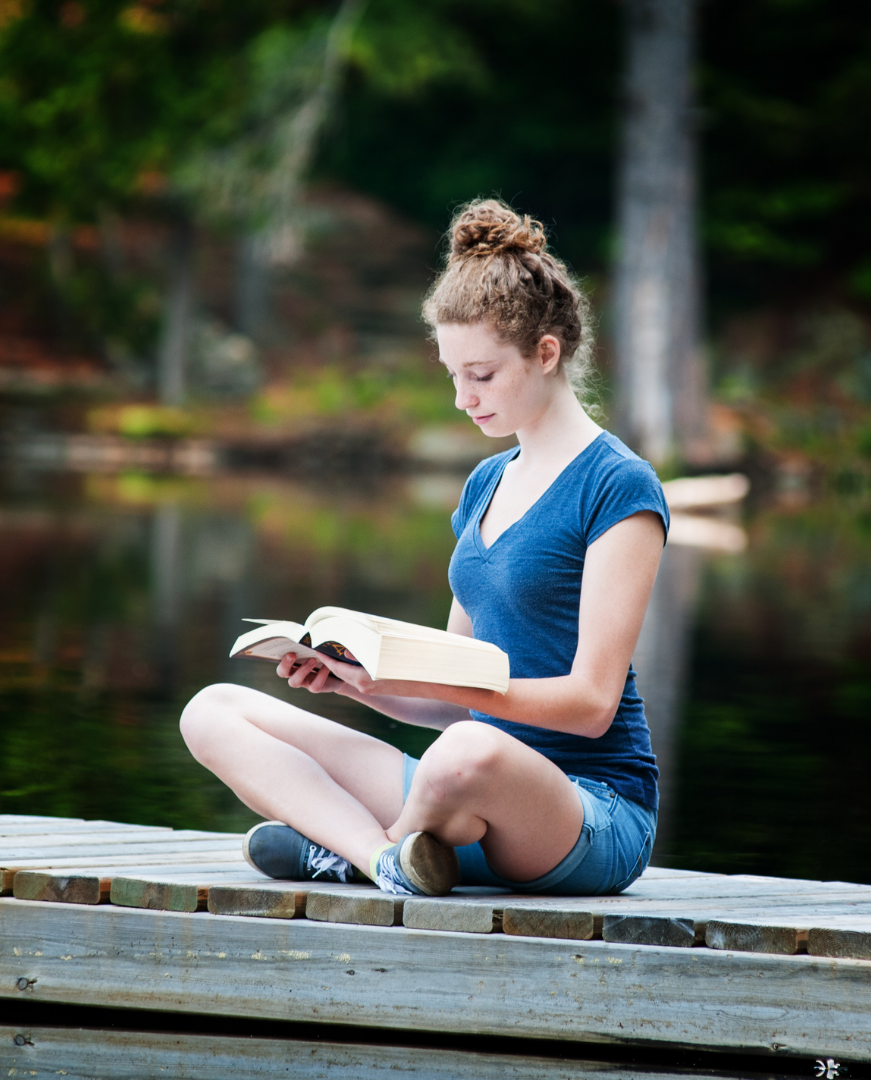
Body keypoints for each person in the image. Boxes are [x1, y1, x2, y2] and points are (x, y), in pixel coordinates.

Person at [180, 198, 669, 897]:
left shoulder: (618, 485)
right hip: (458, 790)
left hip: (589, 811)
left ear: (547, 353)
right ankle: (383, 860)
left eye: (483, 374)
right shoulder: (486, 484)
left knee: (465, 751)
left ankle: (344, 849)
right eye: (452, 374)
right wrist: (366, 681)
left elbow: (591, 704)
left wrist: (437, 690)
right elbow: (453, 694)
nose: (463, 397)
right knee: (213, 710)